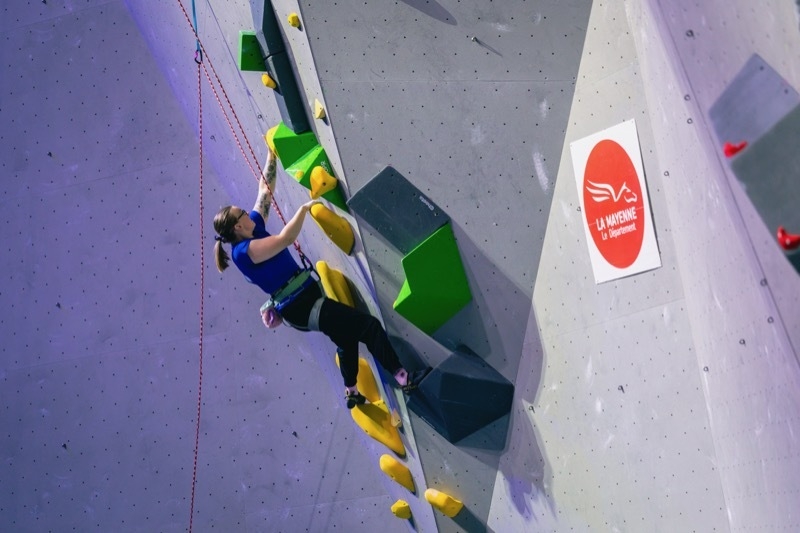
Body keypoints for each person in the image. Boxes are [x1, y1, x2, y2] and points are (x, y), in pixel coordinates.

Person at [213, 148, 428, 409]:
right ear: (237, 225)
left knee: (347, 339)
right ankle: (404, 380)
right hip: (301, 307)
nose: (248, 213)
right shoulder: (243, 252)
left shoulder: (252, 228)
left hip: (305, 299)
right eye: (242, 214)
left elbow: (264, 192)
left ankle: (351, 392)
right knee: (368, 327)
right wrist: (304, 209)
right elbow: (285, 240)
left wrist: (272, 155)